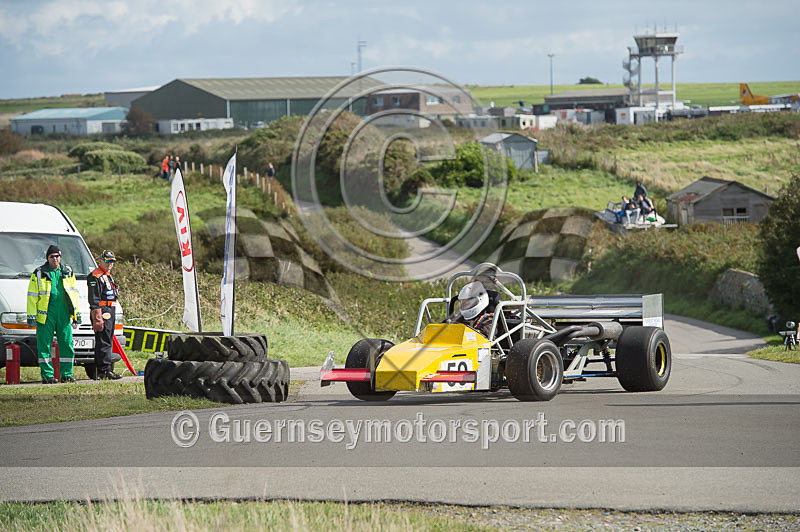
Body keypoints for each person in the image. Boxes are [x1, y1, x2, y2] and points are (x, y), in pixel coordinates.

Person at [26, 245, 81, 384]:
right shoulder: (39, 273)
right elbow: (32, 296)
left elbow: (74, 294)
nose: (55, 259)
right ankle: (47, 375)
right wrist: (31, 316)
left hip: (63, 314)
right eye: (52, 256)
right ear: (47, 258)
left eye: (57, 256)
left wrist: (76, 314)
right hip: (45, 315)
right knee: (44, 345)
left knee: (67, 344)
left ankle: (67, 374)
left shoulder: (68, 271)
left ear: (60, 257)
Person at [88, 250, 122, 380]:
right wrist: (98, 318)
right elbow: (94, 299)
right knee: (103, 341)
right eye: (107, 261)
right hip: (102, 311)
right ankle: (104, 370)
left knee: (107, 340)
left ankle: (105, 369)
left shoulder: (107, 275)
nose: (110, 263)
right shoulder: (95, 276)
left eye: (112, 261)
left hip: (110, 309)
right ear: (100, 260)